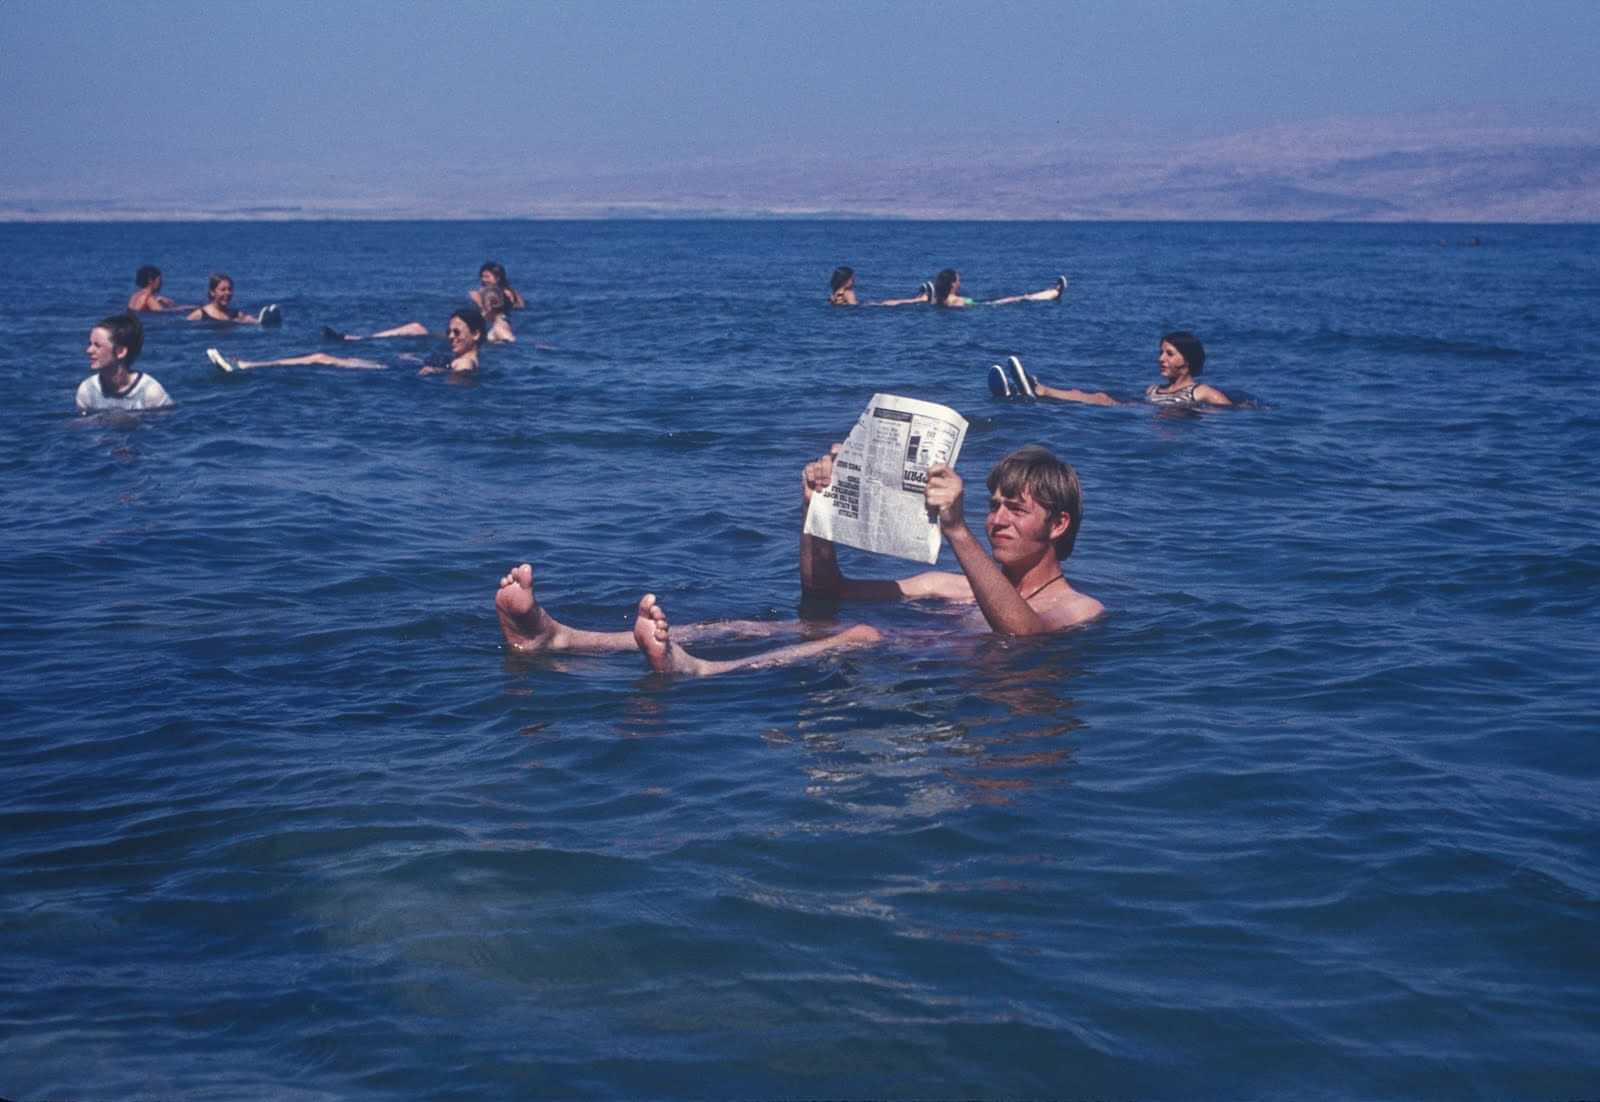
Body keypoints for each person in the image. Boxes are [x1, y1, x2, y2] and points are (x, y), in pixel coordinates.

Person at [493, 445, 1101, 677]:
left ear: (1059, 524)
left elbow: (1021, 635)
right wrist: (818, 513)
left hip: (936, 683)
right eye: (991, 507)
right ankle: (564, 638)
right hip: (899, 656)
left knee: (860, 633)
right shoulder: (949, 586)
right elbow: (825, 593)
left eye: (1014, 510)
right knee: (797, 623)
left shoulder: (1079, 608)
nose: (997, 520)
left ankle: (703, 672)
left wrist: (958, 527)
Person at [207, 306, 485, 376]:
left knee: (320, 357)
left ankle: (247, 365)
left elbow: (456, 375)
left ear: (476, 335)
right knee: (320, 357)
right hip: (399, 368)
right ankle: (246, 364)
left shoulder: (465, 365)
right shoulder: (464, 360)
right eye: (449, 331)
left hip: (392, 375)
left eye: (457, 333)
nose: (451, 337)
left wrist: (431, 370)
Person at [1025, 331, 1232, 407]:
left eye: (1169, 354)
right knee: (1099, 396)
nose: (1161, 359)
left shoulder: (1202, 392)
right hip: (1138, 409)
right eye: (1161, 352)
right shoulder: (1152, 390)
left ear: (1187, 360)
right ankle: (1042, 390)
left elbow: (1230, 411)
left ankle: (1043, 390)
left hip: (1176, 423)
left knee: (1101, 398)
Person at [323, 288, 514, 344]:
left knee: (415, 328)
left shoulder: (500, 326)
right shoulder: (494, 323)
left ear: (489, 306)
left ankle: (356, 340)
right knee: (415, 327)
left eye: (480, 304)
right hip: (454, 342)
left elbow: (511, 341)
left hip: (459, 345)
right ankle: (358, 339)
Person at [76, 313, 173, 412]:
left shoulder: (150, 393)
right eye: (90, 344)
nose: (89, 350)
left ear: (120, 352)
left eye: (97, 345)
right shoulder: (87, 390)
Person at [931, 268, 1066, 307]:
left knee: (1022, 298)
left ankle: (1052, 292)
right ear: (953, 284)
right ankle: (1054, 292)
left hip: (980, 303)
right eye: (958, 280)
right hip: (985, 304)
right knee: (1023, 298)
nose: (960, 283)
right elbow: (978, 306)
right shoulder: (956, 301)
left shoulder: (937, 300)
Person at [186, 272, 279, 325]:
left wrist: (258, 322)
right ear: (212, 292)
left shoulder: (236, 314)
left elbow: (249, 320)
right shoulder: (199, 314)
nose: (228, 293)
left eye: (230, 289)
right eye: (223, 290)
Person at [828, 266, 929, 307]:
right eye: (852, 279)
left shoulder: (835, 293)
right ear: (845, 280)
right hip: (865, 308)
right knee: (889, 303)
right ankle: (919, 299)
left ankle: (917, 299)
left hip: (861, 306)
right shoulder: (848, 292)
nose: (854, 281)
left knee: (887, 302)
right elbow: (854, 306)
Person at [127, 266, 191, 312]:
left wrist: (158, 301)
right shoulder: (148, 298)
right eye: (159, 280)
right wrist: (185, 309)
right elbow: (161, 312)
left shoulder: (134, 295)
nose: (161, 283)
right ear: (150, 281)